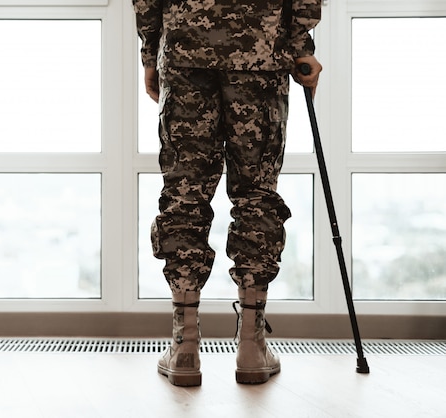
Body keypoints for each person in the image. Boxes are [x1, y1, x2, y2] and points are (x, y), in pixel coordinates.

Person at [133, 0, 323, 386]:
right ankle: (251, 345)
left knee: (184, 193)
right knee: (256, 194)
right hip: (261, 50)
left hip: (185, 48)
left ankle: (184, 345)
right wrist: (301, 44)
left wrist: (152, 51)